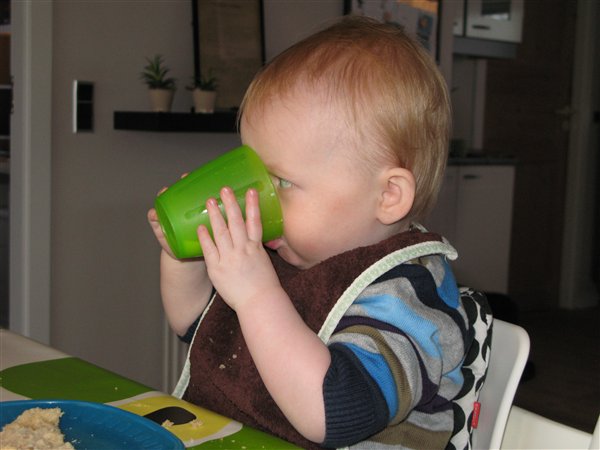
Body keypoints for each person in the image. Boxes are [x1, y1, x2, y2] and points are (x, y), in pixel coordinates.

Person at [148, 15, 478, 449]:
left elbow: (331, 411)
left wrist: (256, 297)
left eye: (281, 182)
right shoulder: (290, 257)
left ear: (388, 195)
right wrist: (185, 256)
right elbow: (194, 323)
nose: (260, 198)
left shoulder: (408, 295)